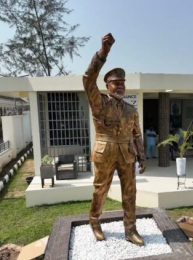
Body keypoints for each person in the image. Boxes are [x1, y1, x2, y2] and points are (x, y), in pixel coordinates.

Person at [83, 33, 146, 246]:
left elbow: (137, 134)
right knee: (101, 190)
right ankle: (94, 221)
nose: (120, 86)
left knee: (130, 192)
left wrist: (143, 157)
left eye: (122, 83)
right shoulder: (99, 102)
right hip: (105, 152)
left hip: (127, 154)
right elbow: (88, 79)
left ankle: (130, 229)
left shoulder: (131, 109)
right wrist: (104, 52)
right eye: (115, 83)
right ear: (107, 86)